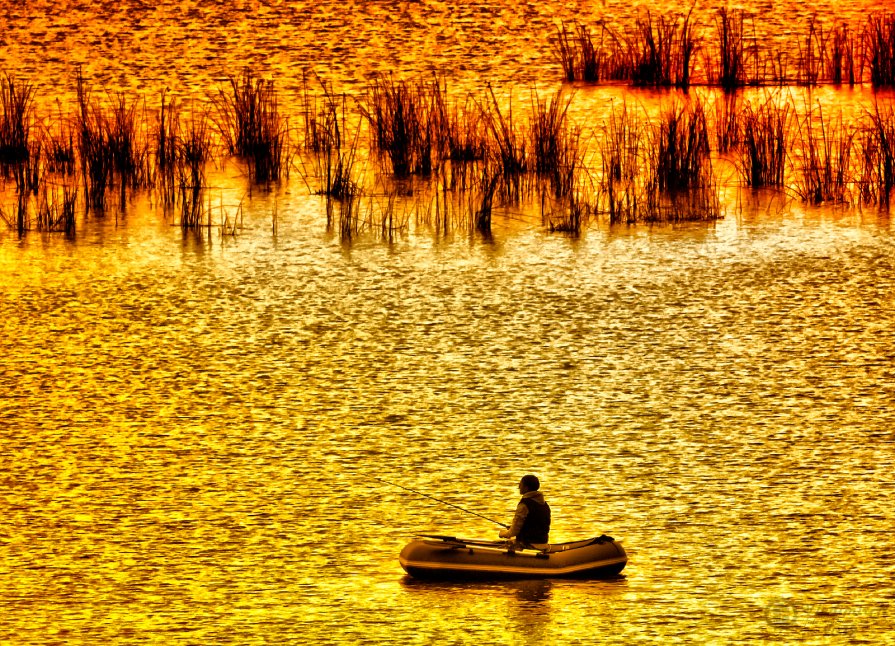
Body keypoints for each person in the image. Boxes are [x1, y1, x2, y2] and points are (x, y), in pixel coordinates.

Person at [498, 474, 551, 547]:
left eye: (520, 484)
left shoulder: (524, 505)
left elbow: (513, 532)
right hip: (543, 543)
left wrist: (503, 533)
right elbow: (535, 525)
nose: (518, 487)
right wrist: (513, 527)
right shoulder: (544, 504)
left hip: (528, 545)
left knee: (501, 546)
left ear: (526, 488)